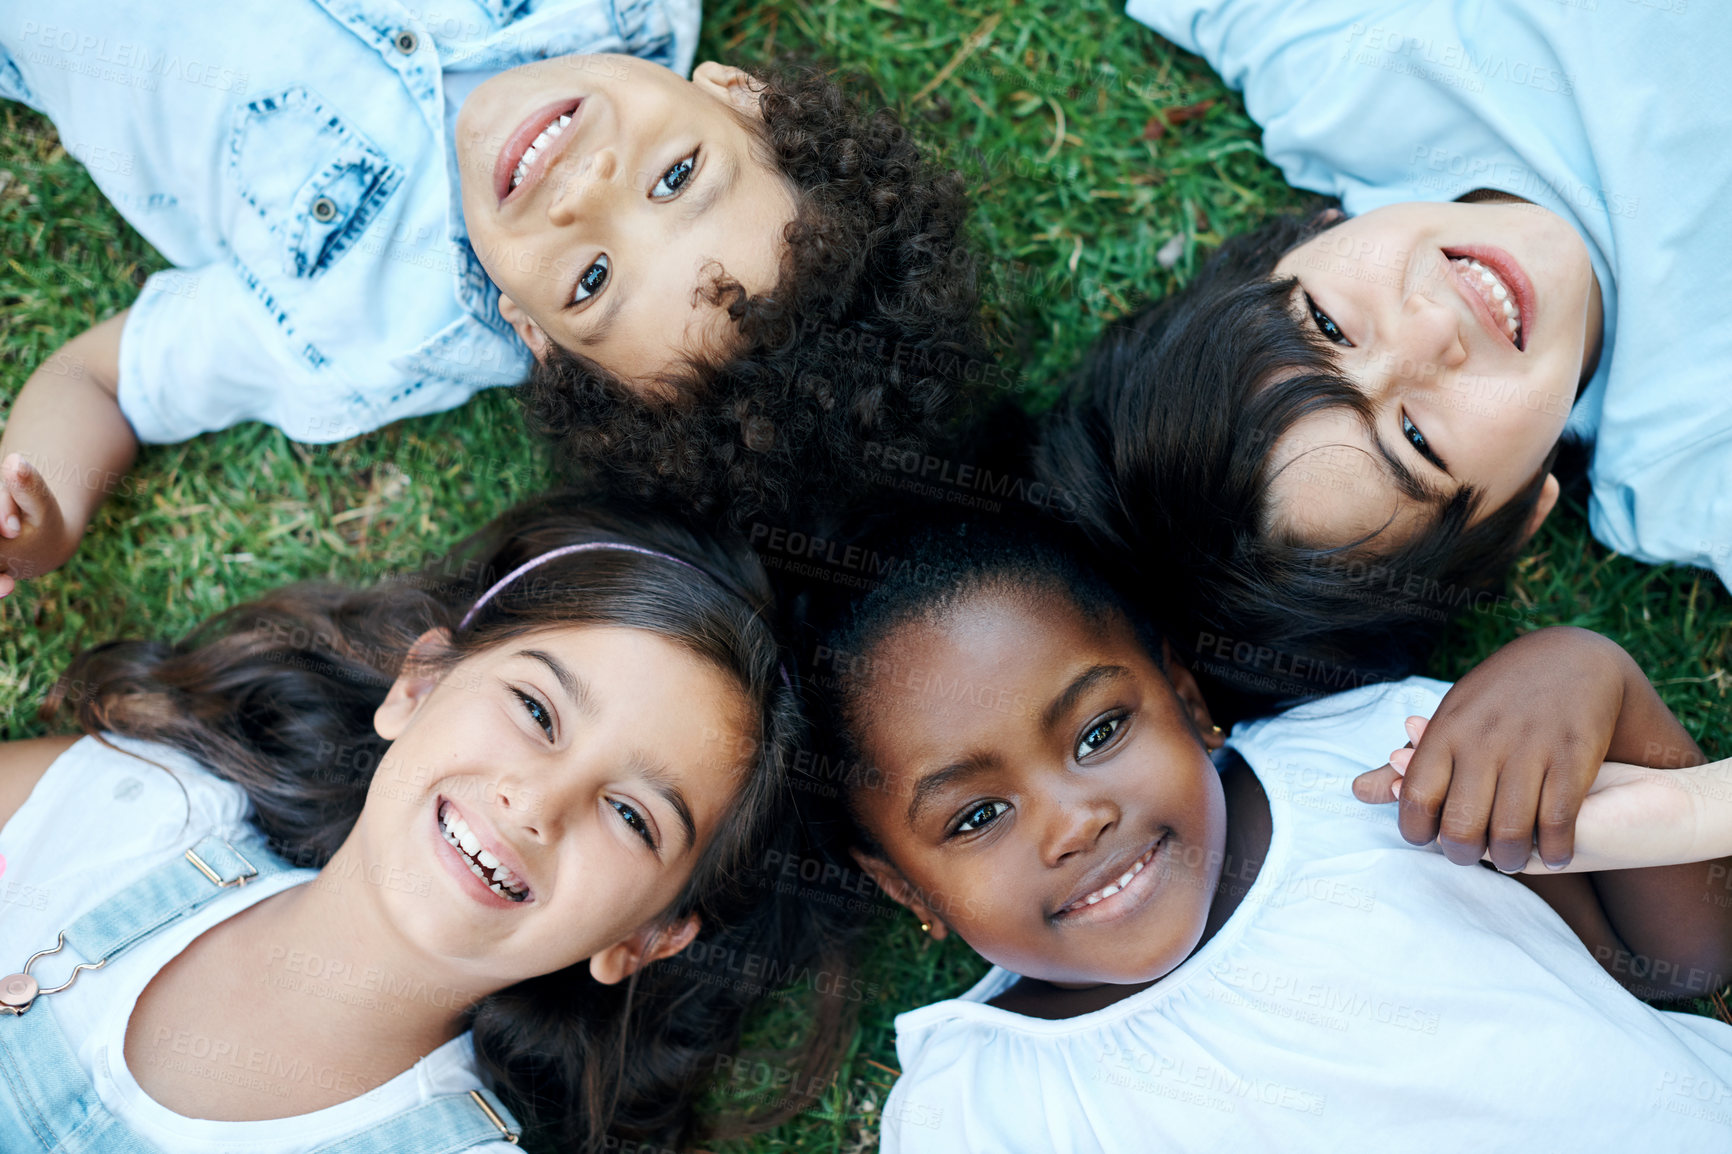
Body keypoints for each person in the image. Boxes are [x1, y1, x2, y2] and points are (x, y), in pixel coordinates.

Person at [805, 511, 1732, 1151]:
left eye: (1098, 732)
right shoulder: (981, 1112)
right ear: (909, 889)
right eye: (976, 816)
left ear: (1185, 696)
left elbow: (1685, 959)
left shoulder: (1377, 769)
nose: (1076, 820)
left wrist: (1595, 681)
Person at [0, 0, 986, 594]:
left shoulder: (368, 334)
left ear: (539, 338)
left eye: (592, 280)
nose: (586, 189)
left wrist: (42, 510)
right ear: (742, 97)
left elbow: (106, 380)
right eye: (676, 177)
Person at [0, 495, 844, 1153]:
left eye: (631, 815)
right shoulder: (132, 810)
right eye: (537, 712)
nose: (537, 803)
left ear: (649, 936)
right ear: (419, 686)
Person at [1039, 0, 1732, 708]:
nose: (1433, 329)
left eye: (1329, 325)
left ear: (1302, 240)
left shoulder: (1341, 70)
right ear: (1525, 514)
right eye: (1416, 440)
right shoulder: (1693, 467)